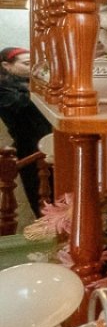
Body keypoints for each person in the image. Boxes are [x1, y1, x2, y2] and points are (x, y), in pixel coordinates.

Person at [0, 46, 51, 216]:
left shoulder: (29, 82)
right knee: (40, 198)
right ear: (6, 66)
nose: (31, 68)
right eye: (27, 64)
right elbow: (22, 104)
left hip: (48, 143)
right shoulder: (3, 88)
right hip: (29, 147)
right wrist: (41, 84)